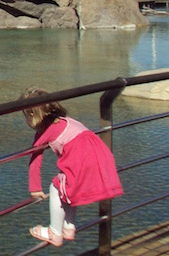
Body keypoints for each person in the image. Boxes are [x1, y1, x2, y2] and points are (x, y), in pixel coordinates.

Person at [21, 87, 123, 247]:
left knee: (56, 188)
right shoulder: (64, 120)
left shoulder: (44, 131)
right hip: (99, 153)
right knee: (67, 187)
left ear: (33, 115)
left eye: (26, 116)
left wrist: (35, 188)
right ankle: (68, 227)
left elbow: (35, 160)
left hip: (82, 158)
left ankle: (55, 232)